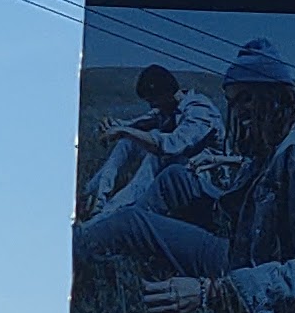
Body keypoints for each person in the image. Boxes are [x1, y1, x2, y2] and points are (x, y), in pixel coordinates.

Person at [72, 42, 295, 313]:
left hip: (245, 270)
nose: (239, 112)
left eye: (247, 99)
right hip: (243, 245)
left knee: (131, 221)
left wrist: (214, 291)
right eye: (234, 101)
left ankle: (76, 248)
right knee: (176, 177)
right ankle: (110, 236)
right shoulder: (279, 131)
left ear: (275, 94)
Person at [81, 64, 223, 220]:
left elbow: (171, 145)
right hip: (180, 168)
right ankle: (94, 195)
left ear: (168, 93)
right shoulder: (167, 107)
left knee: (155, 155)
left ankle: (109, 213)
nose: (152, 106)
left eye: (153, 101)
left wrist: (125, 131)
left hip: (205, 178)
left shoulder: (199, 109)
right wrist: (113, 125)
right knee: (127, 142)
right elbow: (136, 123)